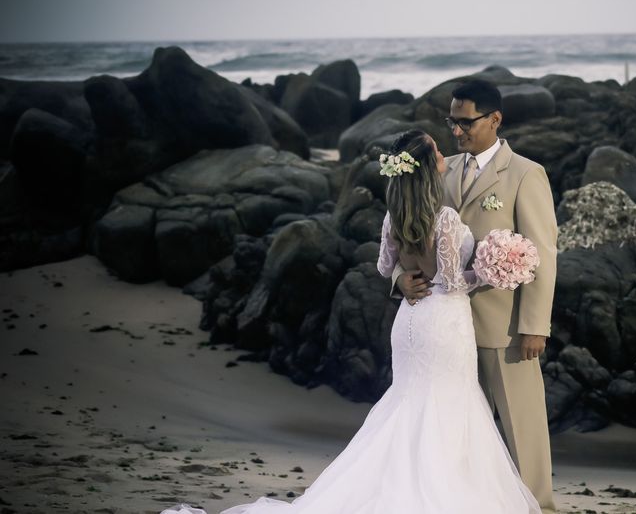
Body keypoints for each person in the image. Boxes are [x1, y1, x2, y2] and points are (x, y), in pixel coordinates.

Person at [159, 128, 540, 514]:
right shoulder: (442, 218)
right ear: (426, 168)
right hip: (443, 320)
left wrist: (401, 279)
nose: (443, 153)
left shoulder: (395, 216)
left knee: (412, 402)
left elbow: (383, 266)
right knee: (447, 402)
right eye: (437, 151)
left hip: (410, 321)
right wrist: (493, 271)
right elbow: (455, 282)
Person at [391, 79, 558, 514]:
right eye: (452, 121)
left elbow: (542, 254)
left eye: (465, 122)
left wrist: (535, 326)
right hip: (449, 334)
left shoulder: (525, 173)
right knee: (460, 433)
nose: (457, 130)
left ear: (494, 119)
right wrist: (399, 277)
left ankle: (538, 505)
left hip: (505, 328)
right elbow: (407, 228)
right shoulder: (442, 170)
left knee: (522, 428)